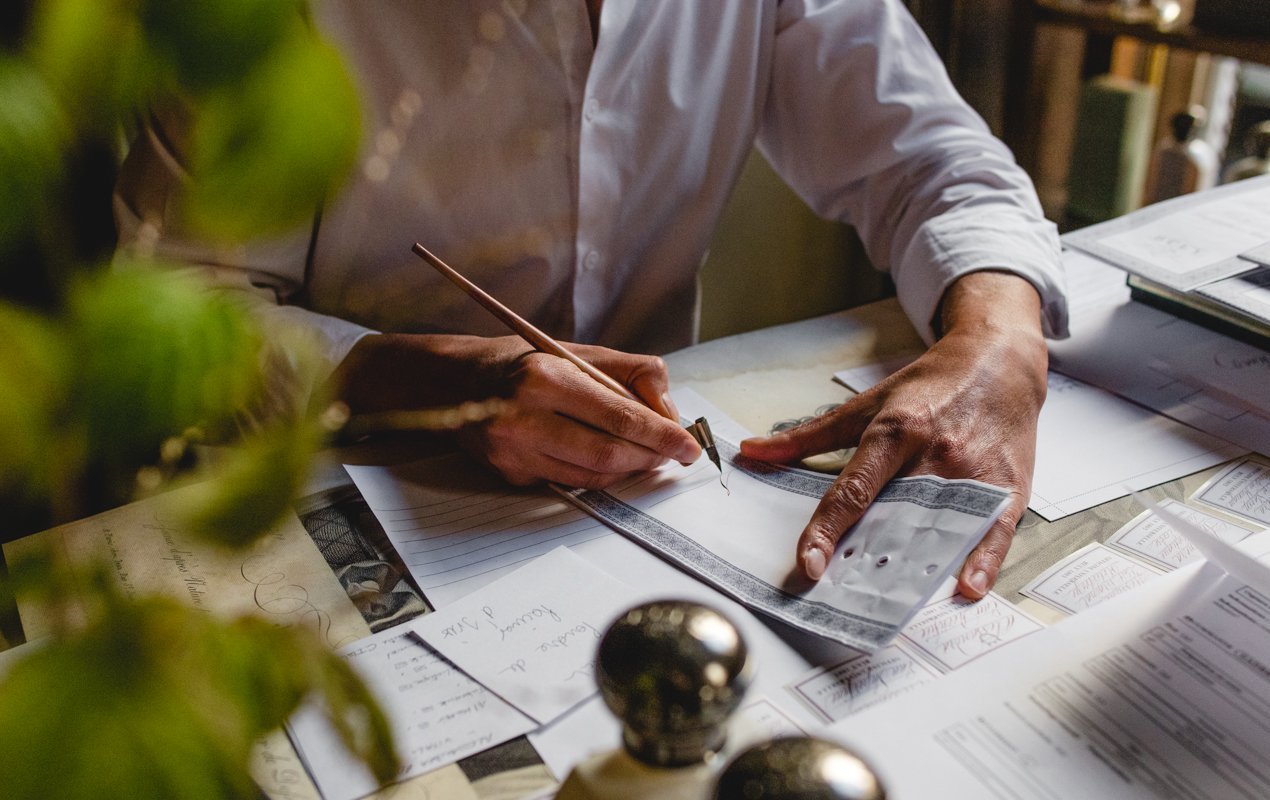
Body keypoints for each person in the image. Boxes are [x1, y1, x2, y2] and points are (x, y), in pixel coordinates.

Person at [114, 0, 1067, 599]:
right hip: (327, 498)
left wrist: (1000, 339)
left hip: (652, 500)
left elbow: (939, 163)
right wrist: (444, 380)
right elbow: (177, 317)